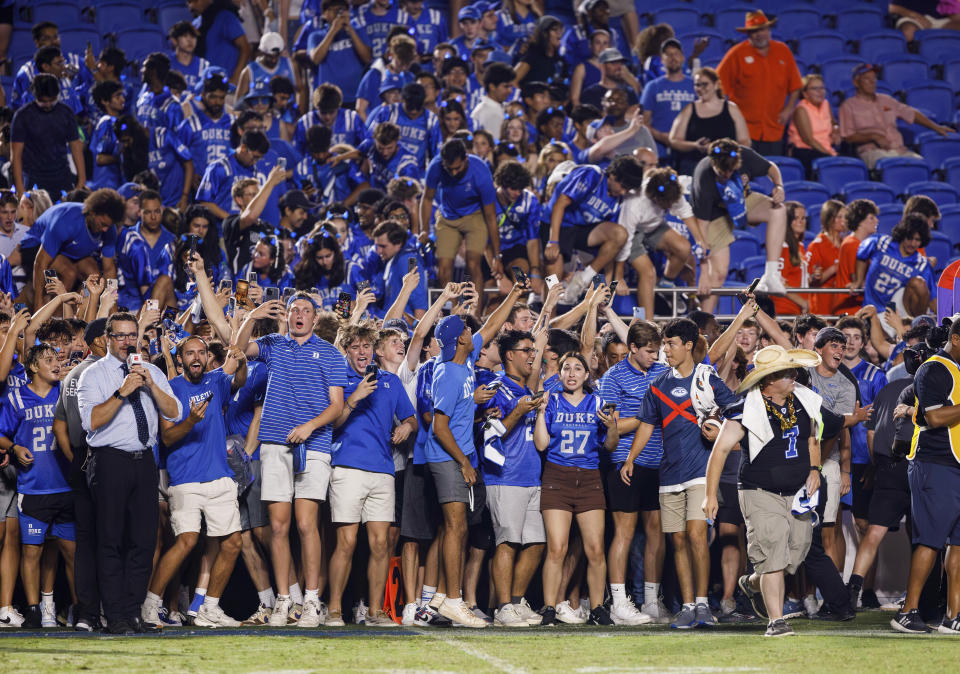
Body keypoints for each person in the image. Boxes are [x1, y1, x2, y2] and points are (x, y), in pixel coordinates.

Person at [235, 292, 346, 628]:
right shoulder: (272, 343)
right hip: (274, 444)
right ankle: (284, 601)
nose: (300, 315)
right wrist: (253, 315)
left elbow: (337, 405)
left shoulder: (329, 353)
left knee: (305, 524)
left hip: (313, 446)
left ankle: (312, 600)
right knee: (279, 527)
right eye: (295, 310)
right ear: (288, 316)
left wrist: (309, 426)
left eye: (306, 311)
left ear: (315, 318)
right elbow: (237, 349)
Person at [623, 318, 741, 629]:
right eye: (664, 344)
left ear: (688, 345)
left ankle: (703, 604)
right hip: (669, 474)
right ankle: (688, 606)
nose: (665, 350)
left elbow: (737, 413)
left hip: (701, 472)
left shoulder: (708, 380)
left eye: (671, 344)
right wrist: (630, 459)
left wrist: (719, 430)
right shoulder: (658, 385)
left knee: (696, 536)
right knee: (676, 540)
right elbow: (647, 425)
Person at [704, 345, 823, 637]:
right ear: (768, 381)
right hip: (759, 491)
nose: (794, 376)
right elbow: (719, 451)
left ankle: (753, 582)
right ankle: (776, 621)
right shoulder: (745, 408)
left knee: (794, 555)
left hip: (797, 494)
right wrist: (709, 495)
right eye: (786, 373)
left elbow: (812, 437)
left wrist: (814, 469)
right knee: (772, 555)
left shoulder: (804, 400)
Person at [424, 282, 524, 627]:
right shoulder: (451, 373)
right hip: (448, 457)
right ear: (461, 340)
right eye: (467, 329)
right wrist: (465, 462)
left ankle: (443, 597)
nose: (473, 331)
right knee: (454, 527)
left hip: (459, 454)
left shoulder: (460, 361)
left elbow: (492, 325)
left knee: (459, 528)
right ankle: (452, 600)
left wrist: (514, 295)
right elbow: (439, 426)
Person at [75, 312, 182, 634]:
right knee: (110, 541)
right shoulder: (92, 375)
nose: (126, 341)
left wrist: (149, 384)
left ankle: (134, 613)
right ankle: (115, 615)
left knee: (143, 541)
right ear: (107, 338)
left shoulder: (149, 371)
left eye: (131, 335)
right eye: (120, 335)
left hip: (144, 461)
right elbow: (90, 422)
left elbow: (174, 411)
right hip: (110, 461)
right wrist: (122, 392)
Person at [141, 336, 248, 629]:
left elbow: (239, 380)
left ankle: (209, 609)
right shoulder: (171, 389)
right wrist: (190, 422)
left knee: (232, 543)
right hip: (185, 480)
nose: (197, 357)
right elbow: (167, 437)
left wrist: (242, 360)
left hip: (220, 477)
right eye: (190, 353)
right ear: (181, 360)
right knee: (186, 541)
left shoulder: (216, 382)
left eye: (201, 352)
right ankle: (151, 605)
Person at [326, 323, 417, 627]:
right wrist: (354, 398)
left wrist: (406, 426)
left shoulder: (390, 381)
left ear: (373, 350)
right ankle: (335, 610)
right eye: (355, 347)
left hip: (383, 470)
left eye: (366, 346)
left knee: (380, 545)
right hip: (347, 468)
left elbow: (411, 418)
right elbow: (332, 424)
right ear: (347, 351)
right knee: (346, 542)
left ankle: (376, 612)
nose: (362, 352)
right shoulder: (339, 380)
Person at [535, 351, 619, 626]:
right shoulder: (552, 401)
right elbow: (541, 444)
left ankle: (597, 608)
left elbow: (609, 446)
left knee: (595, 548)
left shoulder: (598, 402)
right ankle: (549, 607)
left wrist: (613, 427)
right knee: (557, 548)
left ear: (586, 374)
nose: (571, 373)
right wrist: (539, 413)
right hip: (557, 477)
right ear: (559, 374)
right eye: (566, 368)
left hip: (590, 479)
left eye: (577, 368)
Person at [598, 320, 669, 624]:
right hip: (625, 463)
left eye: (657, 351)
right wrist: (649, 417)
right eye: (650, 351)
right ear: (634, 349)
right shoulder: (613, 378)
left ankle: (651, 602)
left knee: (656, 533)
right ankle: (619, 603)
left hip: (660, 463)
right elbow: (611, 428)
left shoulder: (662, 372)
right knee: (624, 534)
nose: (655, 356)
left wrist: (641, 417)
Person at [893, 317, 960, 634]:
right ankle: (907, 611)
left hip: (955, 465)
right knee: (930, 542)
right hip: (935, 464)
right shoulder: (934, 368)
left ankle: (953, 615)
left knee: (959, 545)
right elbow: (933, 416)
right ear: (956, 339)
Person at [479, 329, 546, 627]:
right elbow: (488, 434)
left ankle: (517, 602)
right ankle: (503, 606)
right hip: (504, 476)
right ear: (509, 355)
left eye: (533, 350)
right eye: (526, 350)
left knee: (536, 543)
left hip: (531, 475)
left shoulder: (525, 391)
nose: (532, 354)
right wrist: (518, 412)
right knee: (507, 542)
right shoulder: (495, 387)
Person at [1, 343, 71, 628]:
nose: (56, 363)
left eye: (57, 358)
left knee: (72, 551)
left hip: (67, 486)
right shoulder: (16, 398)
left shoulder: (66, 393)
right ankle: (33, 610)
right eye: (48, 359)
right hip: (33, 487)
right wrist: (15, 447)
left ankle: (78, 609)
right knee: (32, 550)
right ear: (32, 367)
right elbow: (1, 434)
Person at [51, 317, 108, 632]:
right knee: (111, 539)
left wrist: (76, 457)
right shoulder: (102, 371)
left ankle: (86, 612)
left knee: (85, 541)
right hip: (104, 459)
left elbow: (59, 424)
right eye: (115, 336)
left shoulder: (70, 374)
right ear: (99, 340)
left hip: (80, 460)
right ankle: (110, 610)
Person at [691, 138, 789, 311]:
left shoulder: (744, 155)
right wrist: (704, 272)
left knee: (778, 210)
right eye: (723, 173)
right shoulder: (704, 177)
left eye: (731, 171)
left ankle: (771, 274)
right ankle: (703, 324)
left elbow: (771, 168)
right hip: (715, 215)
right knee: (718, 274)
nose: (728, 175)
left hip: (742, 201)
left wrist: (779, 186)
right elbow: (702, 231)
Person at [542, 155, 645, 303]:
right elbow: (560, 204)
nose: (624, 192)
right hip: (558, 225)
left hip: (582, 231)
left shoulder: (618, 199)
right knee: (553, 280)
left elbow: (612, 245)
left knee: (620, 234)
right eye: (623, 186)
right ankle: (546, 323)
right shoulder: (592, 174)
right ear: (613, 176)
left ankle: (582, 280)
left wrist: (609, 283)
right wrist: (553, 241)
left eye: (627, 189)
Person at [616, 167, 707, 320]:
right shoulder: (634, 203)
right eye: (667, 204)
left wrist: (700, 240)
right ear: (655, 197)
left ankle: (666, 284)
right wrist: (618, 277)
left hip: (653, 226)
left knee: (684, 247)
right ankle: (648, 323)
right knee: (648, 273)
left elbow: (686, 213)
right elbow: (624, 242)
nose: (671, 207)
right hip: (630, 233)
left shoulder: (672, 190)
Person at [420, 138, 501, 291]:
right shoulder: (436, 166)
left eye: (457, 168)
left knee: (473, 264)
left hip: (475, 216)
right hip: (447, 217)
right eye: (449, 169)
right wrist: (423, 229)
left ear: (466, 158)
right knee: (443, 269)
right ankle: (453, 311)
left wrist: (497, 256)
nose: (454, 172)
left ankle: (474, 313)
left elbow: (491, 217)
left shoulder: (481, 172)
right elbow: (427, 198)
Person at [717, 10, 802, 155]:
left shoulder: (783, 51)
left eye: (762, 29)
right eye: (754, 31)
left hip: (774, 128)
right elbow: (717, 85)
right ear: (748, 34)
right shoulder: (736, 53)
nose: (759, 34)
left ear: (769, 30)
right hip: (744, 131)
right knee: (745, 172)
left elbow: (796, 86)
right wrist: (729, 115)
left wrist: (788, 109)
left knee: (770, 170)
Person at [838, 63, 951, 170]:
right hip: (873, 152)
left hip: (900, 150)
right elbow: (848, 136)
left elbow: (911, 113)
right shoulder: (848, 106)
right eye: (867, 78)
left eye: (874, 78)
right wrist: (873, 136)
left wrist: (936, 127)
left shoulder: (886, 100)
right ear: (856, 82)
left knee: (922, 164)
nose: (872, 81)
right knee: (892, 165)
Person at [28, 189, 124, 312]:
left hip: (67, 250)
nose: (105, 229)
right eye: (103, 224)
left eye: (108, 226)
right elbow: (40, 262)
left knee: (93, 275)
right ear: (93, 213)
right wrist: (38, 307)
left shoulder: (109, 229)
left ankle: (77, 317)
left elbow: (109, 269)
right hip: (35, 245)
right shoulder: (66, 221)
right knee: (69, 273)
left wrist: (113, 311)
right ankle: (51, 319)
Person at [10, 74, 84, 197]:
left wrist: (81, 182)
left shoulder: (66, 113)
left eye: (52, 100)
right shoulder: (22, 116)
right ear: (35, 96)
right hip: (33, 179)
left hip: (62, 177)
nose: (48, 104)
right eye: (43, 101)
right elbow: (16, 156)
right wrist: (20, 190)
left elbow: (76, 147)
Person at [668, 67, 750, 177]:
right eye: (697, 85)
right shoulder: (689, 109)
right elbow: (674, 140)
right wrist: (695, 145)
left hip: (726, 168)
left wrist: (726, 153)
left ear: (716, 85)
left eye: (705, 84)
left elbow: (745, 141)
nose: (700, 88)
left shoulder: (731, 108)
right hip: (695, 167)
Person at [856, 213, 935, 315]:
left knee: (919, 283)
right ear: (903, 234)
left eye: (917, 240)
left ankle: (919, 325)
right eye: (909, 238)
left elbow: (932, 297)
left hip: (898, 313)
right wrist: (858, 279)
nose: (913, 243)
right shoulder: (881, 243)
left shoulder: (922, 264)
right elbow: (862, 255)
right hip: (872, 308)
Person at [640, 37, 696, 160]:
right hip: (660, 151)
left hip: (689, 150)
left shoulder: (695, 85)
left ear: (683, 57)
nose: (673, 58)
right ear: (662, 60)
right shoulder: (652, 87)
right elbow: (644, 122)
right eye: (668, 54)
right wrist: (663, 137)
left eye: (676, 54)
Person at [188, 0, 250, 85]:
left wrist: (236, 78)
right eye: (189, 2)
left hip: (227, 86)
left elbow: (245, 48)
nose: (191, 7)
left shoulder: (226, 18)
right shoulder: (195, 24)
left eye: (195, 1)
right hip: (206, 87)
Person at [788, 74, 840, 174]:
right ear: (805, 93)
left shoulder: (826, 104)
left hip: (826, 148)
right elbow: (808, 140)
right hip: (806, 150)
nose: (820, 92)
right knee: (832, 165)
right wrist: (829, 155)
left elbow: (834, 123)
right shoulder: (801, 110)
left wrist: (835, 129)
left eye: (822, 88)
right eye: (815, 89)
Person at [835, 199, 878, 315]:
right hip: (852, 309)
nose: (876, 221)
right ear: (860, 221)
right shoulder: (852, 244)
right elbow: (857, 281)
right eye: (871, 218)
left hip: (861, 307)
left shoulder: (863, 244)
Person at [805, 200, 846, 316]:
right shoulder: (817, 245)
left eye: (845, 217)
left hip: (841, 305)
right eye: (840, 217)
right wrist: (833, 269)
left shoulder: (846, 244)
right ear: (829, 219)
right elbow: (809, 280)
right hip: (822, 306)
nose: (844, 221)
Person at [771, 201, 811, 316]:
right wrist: (804, 303)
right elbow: (778, 281)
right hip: (784, 310)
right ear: (787, 220)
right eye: (796, 218)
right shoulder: (782, 246)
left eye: (803, 218)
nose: (801, 222)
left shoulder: (800, 246)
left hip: (798, 310)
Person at [513, 16, 567, 86]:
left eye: (560, 30)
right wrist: (523, 96)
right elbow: (513, 81)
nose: (559, 33)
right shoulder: (532, 56)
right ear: (544, 34)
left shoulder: (560, 59)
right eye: (555, 29)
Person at [471, 62, 515, 141]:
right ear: (492, 87)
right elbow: (496, 145)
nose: (510, 91)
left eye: (511, 86)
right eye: (506, 86)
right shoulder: (489, 112)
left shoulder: (500, 107)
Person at [167, 21, 211, 91]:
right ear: (174, 40)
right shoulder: (166, 64)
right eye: (185, 36)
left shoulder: (204, 65)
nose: (190, 40)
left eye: (193, 36)